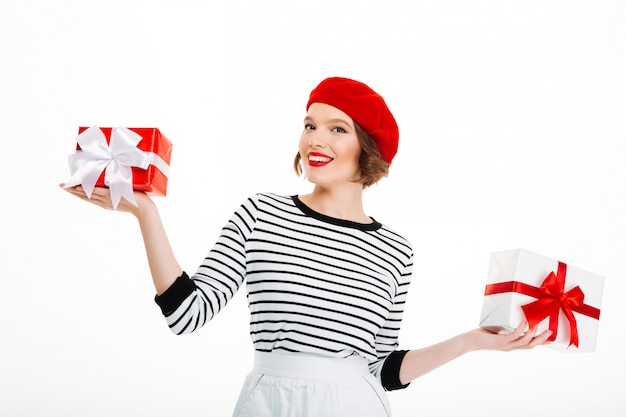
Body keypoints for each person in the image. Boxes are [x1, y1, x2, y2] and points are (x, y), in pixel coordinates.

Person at [61, 77, 552, 417]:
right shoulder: (261, 213)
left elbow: (380, 368)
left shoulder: (395, 251)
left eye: (338, 128)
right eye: (310, 124)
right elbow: (186, 315)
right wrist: (146, 212)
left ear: (367, 147)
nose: (315, 139)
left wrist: (470, 341)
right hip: (267, 403)